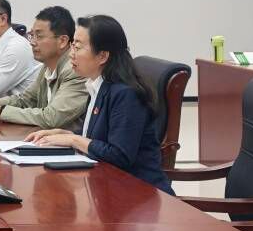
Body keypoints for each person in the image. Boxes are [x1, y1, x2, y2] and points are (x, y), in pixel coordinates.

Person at [26, 15, 173, 194]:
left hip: (140, 194)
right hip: (108, 187)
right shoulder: (97, 85)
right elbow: (98, 137)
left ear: (102, 56)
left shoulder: (126, 94)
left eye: (78, 47)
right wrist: (64, 134)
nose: (71, 54)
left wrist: (74, 140)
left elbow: (119, 156)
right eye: (72, 45)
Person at [0, 6, 89, 129]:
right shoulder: (47, 67)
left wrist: (0, 110)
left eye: (39, 36)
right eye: (31, 35)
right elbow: (26, 100)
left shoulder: (75, 70)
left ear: (62, 41)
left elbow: (52, 117)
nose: (32, 42)